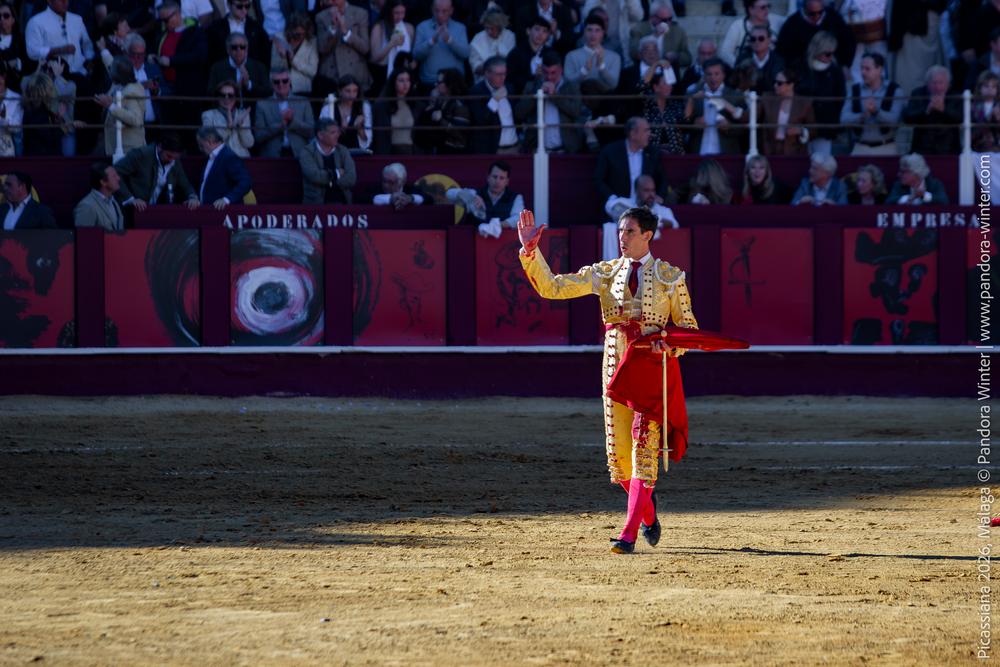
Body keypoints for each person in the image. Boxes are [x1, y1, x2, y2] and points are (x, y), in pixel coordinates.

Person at [517, 206, 698, 554]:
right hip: (614, 370)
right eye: (620, 231)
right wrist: (530, 252)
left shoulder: (670, 277)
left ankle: (628, 534)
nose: (622, 237)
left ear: (648, 235)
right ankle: (647, 513)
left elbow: (688, 330)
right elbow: (553, 288)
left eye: (630, 231)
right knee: (620, 463)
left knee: (643, 448)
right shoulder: (605, 273)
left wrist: (669, 345)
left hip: (649, 373)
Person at [595, 116, 671, 213]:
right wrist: (613, 199)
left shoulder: (652, 153)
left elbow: (663, 180)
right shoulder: (610, 152)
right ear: (633, 134)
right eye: (646, 130)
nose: (650, 134)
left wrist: (659, 197)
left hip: (646, 209)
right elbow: (598, 180)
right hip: (619, 208)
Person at [515, 49, 584, 154]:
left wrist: (555, 96)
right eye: (546, 72)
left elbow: (576, 112)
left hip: (565, 150)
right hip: (536, 150)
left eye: (553, 73)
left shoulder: (571, 86)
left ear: (561, 70)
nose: (549, 77)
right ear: (541, 69)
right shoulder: (531, 86)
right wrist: (538, 93)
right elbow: (519, 113)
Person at [601, 173, 679, 258]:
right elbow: (610, 206)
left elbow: (674, 224)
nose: (651, 194)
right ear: (636, 191)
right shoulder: (624, 203)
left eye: (653, 190)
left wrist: (657, 221)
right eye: (646, 190)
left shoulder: (662, 210)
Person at [839, 51, 903, 155]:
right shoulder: (855, 90)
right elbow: (843, 119)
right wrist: (861, 117)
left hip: (886, 147)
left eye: (867, 69)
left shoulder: (895, 90)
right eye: (861, 68)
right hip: (860, 147)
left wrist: (876, 112)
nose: (863, 72)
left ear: (880, 70)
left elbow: (895, 120)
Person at [113, 134, 199, 210]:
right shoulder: (141, 155)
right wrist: (130, 199)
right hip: (131, 210)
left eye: (175, 158)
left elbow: (185, 184)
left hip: (154, 210)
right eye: (169, 156)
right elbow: (114, 173)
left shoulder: (174, 162)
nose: (171, 160)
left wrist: (192, 197)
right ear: (160, 147)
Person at [684, 57, 746, 155]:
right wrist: (694, 124)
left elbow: (744, 128)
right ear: (704, 75)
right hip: (698, 153)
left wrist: (729, 127)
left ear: (724, 75)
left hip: (726, 154)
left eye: (717, 74)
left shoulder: (736, 96)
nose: (713, 78)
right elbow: (683, 125)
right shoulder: (692, 94)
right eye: (709, 74)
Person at [797, 31, 845, 156]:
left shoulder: (835, 71)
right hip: (803, 125)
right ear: (817, 50)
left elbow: (841, 99)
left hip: (825, 127)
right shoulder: (801, 68)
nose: (830, 57)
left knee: (821, 163)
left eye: (832, 53)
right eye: (827, 53)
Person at [446, 160, 524, 236]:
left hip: (502, 244)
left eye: (501, 178)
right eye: (494, 177)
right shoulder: (475, 194)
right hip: (474, 243)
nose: (497, 181)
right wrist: (472, 197)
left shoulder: (516, 198)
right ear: (488, 177)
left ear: (507, 181)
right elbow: (449, 194)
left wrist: (496, 225)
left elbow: (518, 219)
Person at [776, 0, 855, 74]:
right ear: (805, 9)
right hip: (805, 73)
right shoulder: (792, 25)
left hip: (832, 70)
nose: (817, 16)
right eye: (812, 14)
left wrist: (845, 64)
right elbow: (783, 52)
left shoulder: (833, 17)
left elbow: (848, 41)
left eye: (820, 12)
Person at [255, 67, 315, 158]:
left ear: (290, 81)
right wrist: (279, 126)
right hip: (272, 156)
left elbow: (312, 131)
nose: (281, 84)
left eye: (284, 81)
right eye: (276, 82)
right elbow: (258, 136)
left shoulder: (303, 102)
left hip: (299, 155)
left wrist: (292, 122)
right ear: (271, 84)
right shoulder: (262, 104)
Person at [315, 0, 372, 97]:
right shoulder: (321, 17)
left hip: (355, 74)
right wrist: (333, 28)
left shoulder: (360, 13)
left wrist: (346, 32)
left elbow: (365, 47)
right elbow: (322, 48)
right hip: (331, 76)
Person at [902, 66, 961, 156]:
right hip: (921, 149)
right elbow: (908, 118)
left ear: (948, 84)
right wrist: (926, 110)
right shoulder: (917, 94)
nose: (937, 87)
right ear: (927, 83)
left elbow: (961, 118)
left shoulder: (956, 96)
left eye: (941, 83)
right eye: (934, 83)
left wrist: (944, 110)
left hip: (949, 149)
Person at [468, 55, 519, 154]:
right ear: (487, 73)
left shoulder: (510, 88)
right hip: (493, 150)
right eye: (498, 74)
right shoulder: (476, 91)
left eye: (504, 74)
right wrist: (495, 100)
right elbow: (480, 120)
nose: (502, 78)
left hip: (514, 147)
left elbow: (517, 116)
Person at [413, 0, 469, 89]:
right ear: (432, 9)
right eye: (437, 10)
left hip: (455, 83)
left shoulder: (460, 28)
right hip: (430, 82)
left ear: (451, 11)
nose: (440, 15)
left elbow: (465, 54)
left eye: (444, 11)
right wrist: (431, 41)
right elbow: (416, 55)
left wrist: (450, 41)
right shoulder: (422, 27)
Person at [96, 56, 145, 157]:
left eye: (112, 70)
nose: (109, 72)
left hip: (128, 148)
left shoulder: (131, 91)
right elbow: (110, 64)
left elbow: (136, 119)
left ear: (117, 74)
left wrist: (110, 105)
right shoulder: (118, 85)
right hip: (113, 143)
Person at [757, 67, 814, 155]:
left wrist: (801, 130)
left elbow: (814, 129)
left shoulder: (804, 103)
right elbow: (750, 116)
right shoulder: (767, 98)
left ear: (790, 85)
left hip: (794, 151)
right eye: (775, 82)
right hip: (770, 149)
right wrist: (731, 108)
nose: (775, 85)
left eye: (779, 83)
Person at [299, 118, 356, 204]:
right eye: (333, 133)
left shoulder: (343, 150)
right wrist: (336, 173)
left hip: (342, 202)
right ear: (320, 135)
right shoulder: (307, 152)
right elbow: (315, 176)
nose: (337, 135)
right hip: (316, 205)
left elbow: (351, 178)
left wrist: (330, 183)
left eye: (338, 132)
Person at [415, 67, 470, 153]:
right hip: (440, 149)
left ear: (450, 84)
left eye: (439, 82)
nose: (435, 84)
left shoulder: (460, 106)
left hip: (453, 152)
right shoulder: (440, 101)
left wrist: (441, 120)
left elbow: (460, 133)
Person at [196, 126, 252, 210]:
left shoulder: (228, 157)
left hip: (224, 213)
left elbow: (246, 182)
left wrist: (226, 199)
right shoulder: (212, 157)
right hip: (210, 211)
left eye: (201, 145)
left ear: (209, 141)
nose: (200, 149)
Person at [206, 32, 271, 103]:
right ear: (228, 50)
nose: (238, 50)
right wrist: (230, 88)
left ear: (247, 49)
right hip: (226, 110)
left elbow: (267, 92)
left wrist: (248, 85)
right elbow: (210, 92)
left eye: (242, 47)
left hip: (253, 111)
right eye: (234, 47)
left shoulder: (259, 67)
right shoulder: (217, 68)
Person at [628, 1, 691, 72]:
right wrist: (654, 36)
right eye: (664, 20)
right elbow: (634, 53)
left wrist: (676, 56)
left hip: (668, 73)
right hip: (645, 72)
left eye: (670, 19)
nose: (668, 23)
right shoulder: (639, 29)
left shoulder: (678, 31)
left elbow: (688, 59)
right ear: (652, 18)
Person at [719, 0, 785, 67]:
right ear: (751, 9)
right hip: (747, 71)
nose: (767, 10)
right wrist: (740, 66)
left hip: (773, 69)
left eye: (768, 6)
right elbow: (725, 52)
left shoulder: (777, 21)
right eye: (763, 7)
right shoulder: (738, 26)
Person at [372, 66, 422, 154]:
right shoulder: (382, 106)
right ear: (393, 82)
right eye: (401, 80)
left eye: (408, 80)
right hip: (390, 152)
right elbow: (379, 136)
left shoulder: (417, 105)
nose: (405, 84)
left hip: (411, 152)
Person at [369, 0, 413, 94]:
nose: (400, 16)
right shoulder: (379, 28)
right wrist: (391, 44)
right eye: (396, 13)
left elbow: (411, 56)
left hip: (404, 78)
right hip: (383, 77)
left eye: (402, 13)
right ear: (389, 11)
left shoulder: (409, 28)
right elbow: (374, 58)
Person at [206, 0, 270, 65]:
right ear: (229, 5)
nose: (244, 10)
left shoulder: (256, 29)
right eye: (239, 6)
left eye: (247, 6)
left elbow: (264, 57)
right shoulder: (216, 29)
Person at [319, 74, 372, 151]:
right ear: (339, 91)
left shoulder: (364, 107)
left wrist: (359, 128)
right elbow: (322, 135)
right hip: (334, 152)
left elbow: (367, 141)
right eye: (348, 91)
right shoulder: (328, 108)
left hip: (357, 152)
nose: (352, 95)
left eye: (355, 91)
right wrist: (340, 129)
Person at [201, 79, 254, 158]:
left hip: (241, 159)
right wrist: (227, 128)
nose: (226, 98)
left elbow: (249, 143)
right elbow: (210, 143)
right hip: (219, 160)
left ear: (236, 97)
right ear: (217, 97)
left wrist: (241, 127)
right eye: (223, 95)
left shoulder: (242, 114)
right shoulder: (208, 115)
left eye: (230, 95)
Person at [640, 64, 686, 154]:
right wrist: (656, 64)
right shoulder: (647, 105)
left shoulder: (675, 106)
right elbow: (642, 85)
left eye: (670, 84)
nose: (669, 87)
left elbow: (686, 121)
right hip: (650, 155)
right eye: (665, 83)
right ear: (656, 87)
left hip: (674, 155)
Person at [269, 12, 318, 96]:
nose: (300, 37)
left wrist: (294, 60)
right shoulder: (279, 39)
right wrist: (283, 57)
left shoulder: (312, 41)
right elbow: (274, 69)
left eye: (303, 33)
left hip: (302, 89)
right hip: (281, 88)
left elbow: (312, 71)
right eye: (297, 34)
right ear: (290, 29)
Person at [20, 71, 64, 156]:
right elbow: (50, 139)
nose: (54, 90)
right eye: (51, 88)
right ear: (45, 92)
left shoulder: (36, 110)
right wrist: (62, 127)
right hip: (42, 162)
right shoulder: (37, 113)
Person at [124, 34, 164, 127]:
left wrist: (157, 91)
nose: (138, 58)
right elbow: (117, 92)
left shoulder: (153, 69)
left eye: (141, 54)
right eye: (134, 54)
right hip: (130, 125)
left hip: (153, 124)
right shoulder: (121, 70)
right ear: (127, 53)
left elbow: (166, 89)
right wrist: (141, 86)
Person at [73, 161, 124, 232]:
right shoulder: (87, 206)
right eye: (114, 176)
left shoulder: (114, 202)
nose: (118, 178)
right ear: (103, 182)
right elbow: (83, 238)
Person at [469, 7, 514, 82]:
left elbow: (513, 63)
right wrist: (491, 68)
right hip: (484, 83)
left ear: (500, 27)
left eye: (492, 28)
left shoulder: (510, 37)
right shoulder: (477, 39)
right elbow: (475, 67)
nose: (489, 31)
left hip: (507, 81)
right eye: (487, 28)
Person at [885, 153, 949, 204]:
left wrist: (924, 195)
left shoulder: (934, 184)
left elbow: (944, 202)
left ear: (916, 172)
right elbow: (889, 203)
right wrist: (910, 198)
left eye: (904, 172)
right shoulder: (898, 185)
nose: (899, 174)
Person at [737, 24, 785, 94]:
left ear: (769, 40)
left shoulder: (778, 61)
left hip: (770, 100)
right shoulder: (742, 59)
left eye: (761, 38)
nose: (757, 42)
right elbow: (738, 84)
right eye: (753, 39)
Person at [0, 2, 29, 92]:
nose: (2, 19)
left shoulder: (21, 39)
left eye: (6, 16)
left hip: (17, 86)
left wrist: (17, 62)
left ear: (13, 19)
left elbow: (28, 62)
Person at [972, 71, 1000, 152]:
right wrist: (989, 118)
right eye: (986, 86)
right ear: (980, 88)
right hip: (980, 146)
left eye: (993, 86)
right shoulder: (974, 107)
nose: (990, 89)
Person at [0, 62, 21, 157]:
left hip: (6, 149)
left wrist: (3, 120)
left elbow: (17, 128)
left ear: (4, 76)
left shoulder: (16, 98)